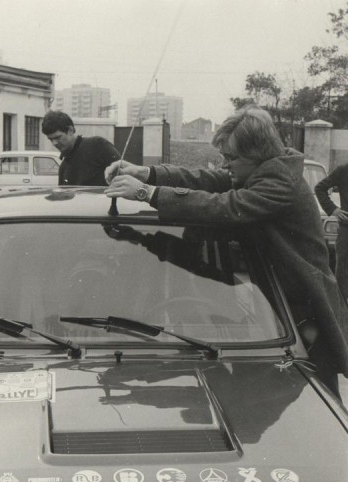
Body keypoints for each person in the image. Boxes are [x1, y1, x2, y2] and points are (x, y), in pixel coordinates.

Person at [104, 104, 348, 397]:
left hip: (304, 313)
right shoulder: (264, 170)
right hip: (272, 306)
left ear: (256, 156)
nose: (225, 164)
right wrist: (147, 172)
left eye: (231, 158)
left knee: (315, 399)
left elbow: (228, 207)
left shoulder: (280, 182)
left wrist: (147, 193)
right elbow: (209, 180)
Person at [41, 110, 120, 186]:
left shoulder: (97, 145)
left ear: (70, 130)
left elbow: (122, 171)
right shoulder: (63, 167)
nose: (54, 143)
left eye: (58, 137)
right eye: (51, 139)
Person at [315, 163, 348, 302]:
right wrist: (333, 209)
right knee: (343, 270)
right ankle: (342, 306)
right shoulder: (343, 170)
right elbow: (319, 188)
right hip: (346, 230)